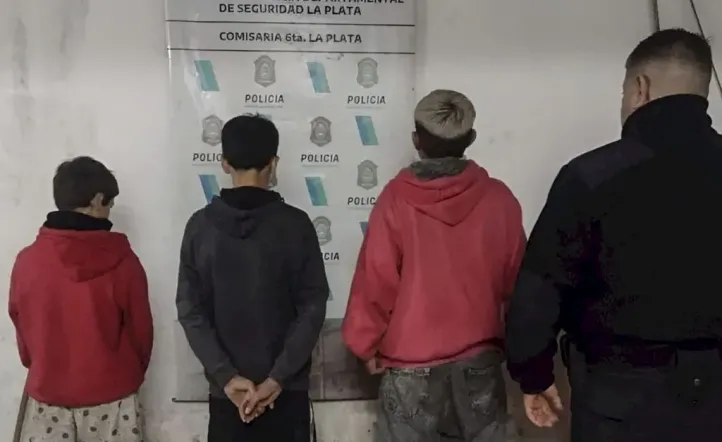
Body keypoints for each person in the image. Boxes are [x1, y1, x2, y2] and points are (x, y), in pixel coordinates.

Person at [505, 29, 722, 441]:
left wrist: (533, 374)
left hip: (619, 396)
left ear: (640, 88)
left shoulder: (590, 177)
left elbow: (541, 288)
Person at [342, 89, 526, 442]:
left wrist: (365, 344)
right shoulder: (499, 199)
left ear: (416, 140)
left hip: (410, 367)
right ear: (471, 138)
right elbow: (517, 283)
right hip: (480, 361)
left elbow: (376, 281)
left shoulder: (395, 200)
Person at [176, 114, 328, 442]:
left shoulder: (200, 228)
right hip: (286, 393)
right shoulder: (297, 226)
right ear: (274, 163)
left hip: (228, 396)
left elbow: (190, 312)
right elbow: (313, 307)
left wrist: (227, 378)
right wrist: (277, 378)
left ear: (224, 163)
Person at [9, 156, 153, 442]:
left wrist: (43, 367)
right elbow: (142, 334)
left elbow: (22, 329)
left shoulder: (27, 262)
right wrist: (127, 374)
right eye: (110, 204)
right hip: (113, 400)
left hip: (47, 398)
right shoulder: (124, 262)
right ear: (97, 199)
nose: (110, 213)